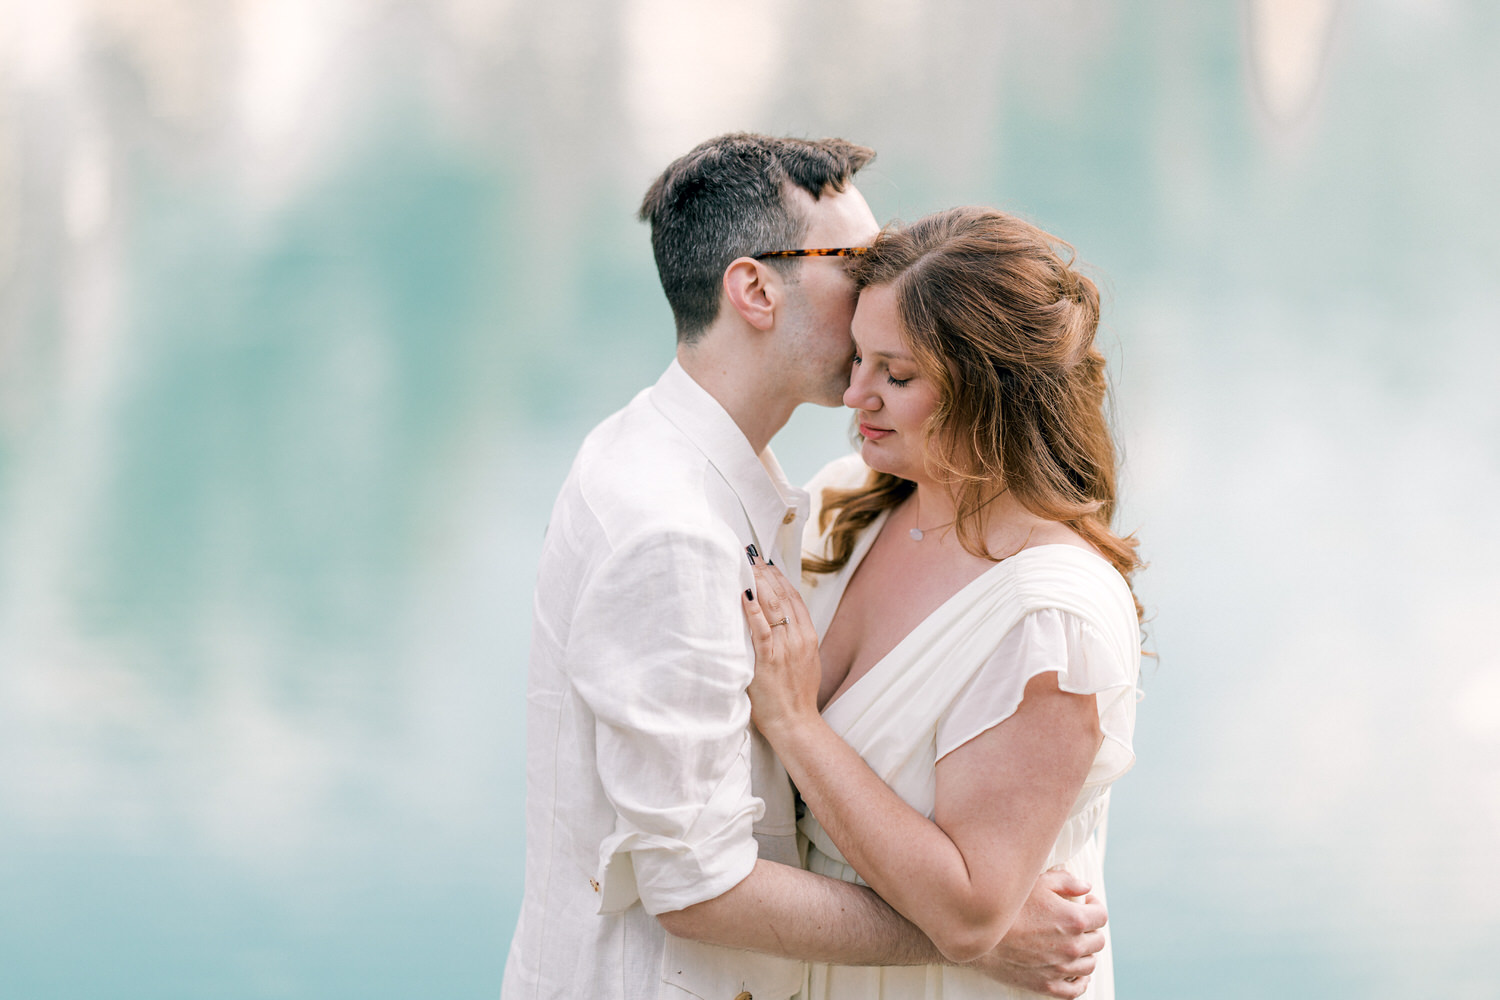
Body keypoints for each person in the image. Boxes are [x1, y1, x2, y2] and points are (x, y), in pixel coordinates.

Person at [501, 136, 1108, 1000]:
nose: (882, 293)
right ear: (753, 289)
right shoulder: (671, 530)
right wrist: (974, 938)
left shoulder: (721, 474)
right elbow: (699, 886)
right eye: (857, 263)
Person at [742, 206, 1144, 999]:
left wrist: (795, 723)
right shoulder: (838, 506)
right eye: (858, 358)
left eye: (897, 376)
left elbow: (967, 918)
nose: (855, 394)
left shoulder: (1049, 618)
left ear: (992, 394)